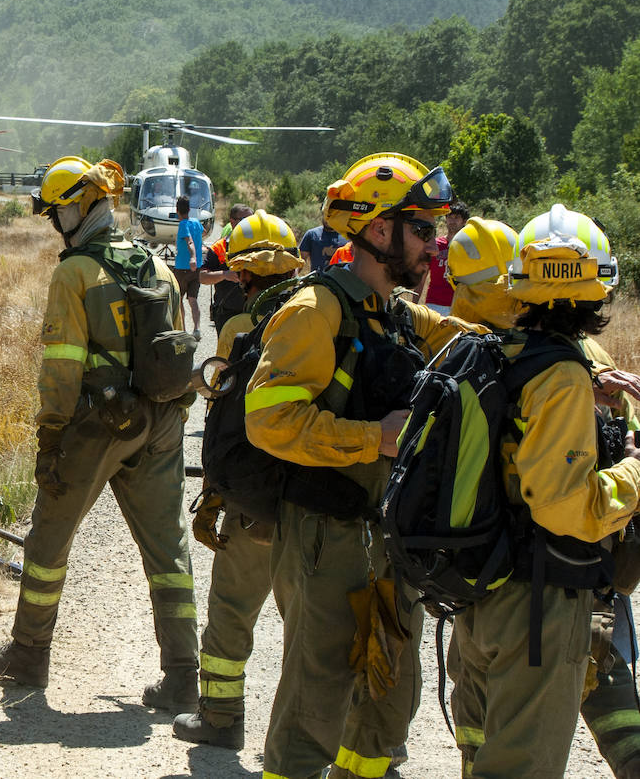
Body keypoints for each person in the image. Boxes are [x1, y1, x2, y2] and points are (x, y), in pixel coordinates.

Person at [246, 154, 472, 779]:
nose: (437, 243)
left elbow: (472, 342)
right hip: (325, 537)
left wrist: (579, 367)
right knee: (313, 707)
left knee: (387, 705)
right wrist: (373, 437)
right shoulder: (315, 310)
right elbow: (268, 420)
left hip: (385, 538)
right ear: (378, 231)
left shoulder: (392, 313)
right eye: (423, 229)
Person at [0, 156, 199, 709]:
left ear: (80, 207)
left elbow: (61, 368)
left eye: (58, 212)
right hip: (161, 421)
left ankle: (28, 655)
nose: (56, 223)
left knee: (49, 535)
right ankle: (182, 676)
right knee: (168, 546)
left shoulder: (74, 273)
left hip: (98, 424)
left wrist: (50, 439)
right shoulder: (159, 267)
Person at [443, 213, 640, 779]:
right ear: (600, 283)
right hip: (540, 601)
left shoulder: (494, 351)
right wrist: (632, 474)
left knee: (485, 750)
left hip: (482, 585)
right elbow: (564, 506)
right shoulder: (565, 374)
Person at [174, 210, 303, 750]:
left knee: (230, 608)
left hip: (256, 505)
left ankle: (222, 719)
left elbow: (225, 427)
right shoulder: (327, 319)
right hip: (317, 505)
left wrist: (210, 499)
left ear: (243, 275)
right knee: (315, 627)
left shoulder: (240, 328)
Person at [200, 204, 254, 336]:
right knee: (227, 353)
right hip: (227, 312)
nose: (249, 224)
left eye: (251, 220)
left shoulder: (261, 246)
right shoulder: (220, 247)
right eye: (244, 220)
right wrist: (225, 274)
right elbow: (202, 277)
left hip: (253, 312)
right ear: (232, 221)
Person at [421, 200, 469, 312]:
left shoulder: (468, 247)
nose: (452, 221)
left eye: (456, 217)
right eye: (449, 217)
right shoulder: (435, 245)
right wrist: (414, 305)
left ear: (464, 221)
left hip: (459, 305)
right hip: (434, 303)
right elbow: (422, 278)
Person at [174, 195, 205, 337]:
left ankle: (183, 329)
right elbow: (202, 233)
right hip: (197, 268)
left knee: (178, 298)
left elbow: (189, 241)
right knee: (193, 299)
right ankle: (197, 329)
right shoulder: (196, 223)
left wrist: (192, 256)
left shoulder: (183, 225)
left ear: (177, 210)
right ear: (189, 209)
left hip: (182, 267)